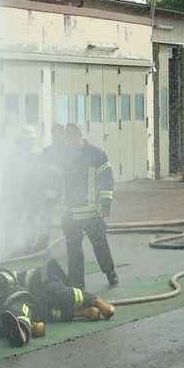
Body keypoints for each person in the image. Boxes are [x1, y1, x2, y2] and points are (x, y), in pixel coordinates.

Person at [49, 123, 118, 289]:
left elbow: (106, 180)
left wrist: (105, 203)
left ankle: (110, 273)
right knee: (74, 251)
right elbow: (53, 182)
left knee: (100, 246)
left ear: (80, 134)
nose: (69, 140)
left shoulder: (96, 155)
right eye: (67, 137)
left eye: (72, 136)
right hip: (69, 214)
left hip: (91, 213)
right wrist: (49, 204)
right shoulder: (61, 157)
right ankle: (76, 285)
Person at [2, 125, 44, 254]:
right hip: (16, 195)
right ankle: (7, 244)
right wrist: (7, 193)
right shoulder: (13, 155)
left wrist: (40, 195)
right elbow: (7, 176)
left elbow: (42, 177)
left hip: (32, 196)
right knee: (13, 221)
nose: (26, 142)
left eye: (28, 139)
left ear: (32, 140)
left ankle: (29, 244)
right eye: (24, 139)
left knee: (30, 221)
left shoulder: (38, 155)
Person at [36, 123, 67, 250]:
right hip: (48, 192)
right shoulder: (46, 151)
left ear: (63, 135)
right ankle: (42, 244)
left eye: (58, 135)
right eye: (54, 135)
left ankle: (71, 243)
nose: (55, 137)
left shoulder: (69, 151)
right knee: (45, 218)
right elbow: (41, 171)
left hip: (65, 192)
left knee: (67, 219)